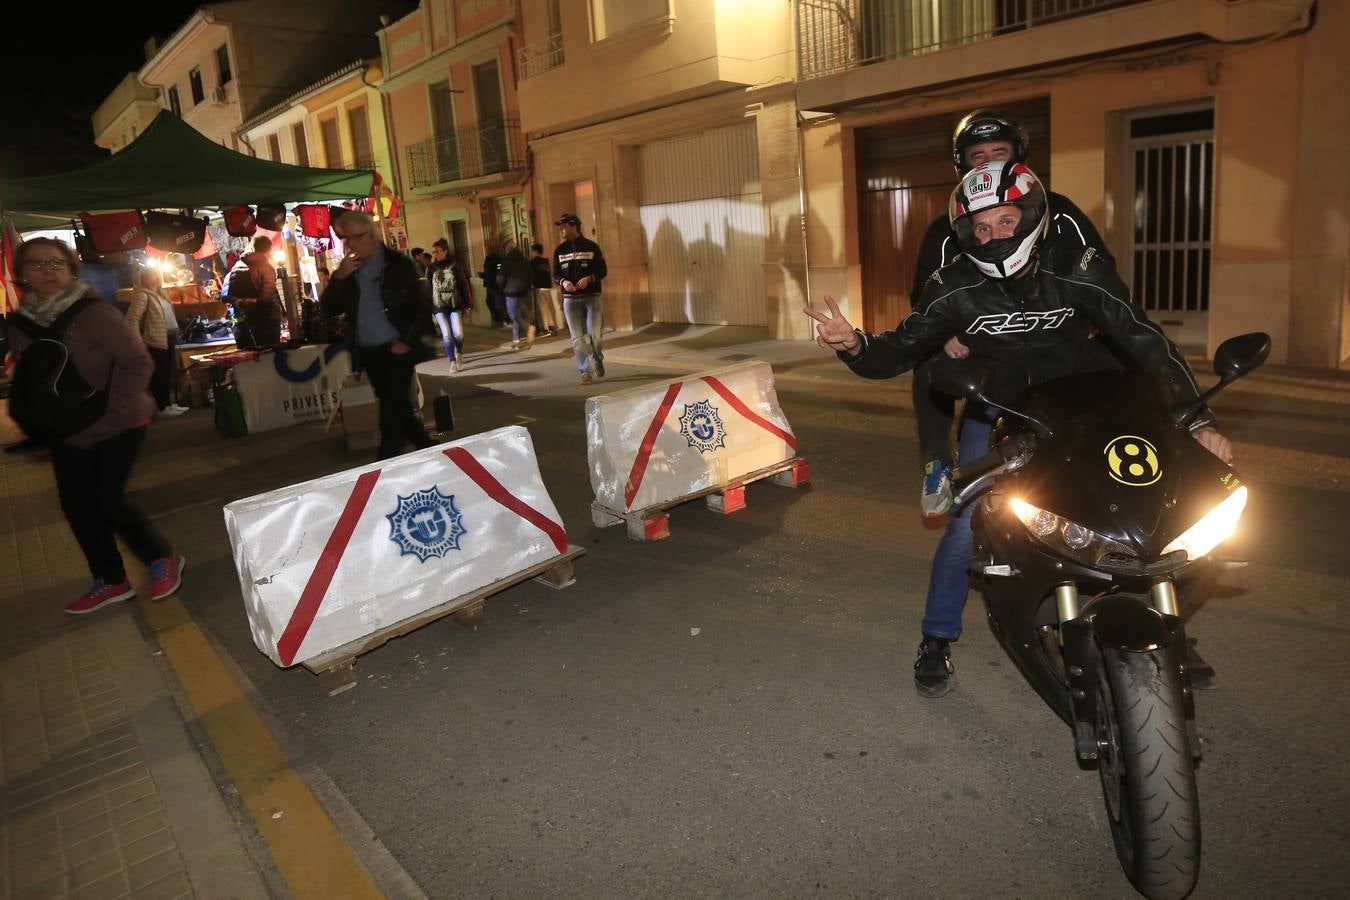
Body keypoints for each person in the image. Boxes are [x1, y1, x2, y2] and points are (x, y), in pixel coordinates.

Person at [805, 162, 1232, 699]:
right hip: (1002, 412)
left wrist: (1199, 420)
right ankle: (936, 638)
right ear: (966, 235)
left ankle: (1168, 629)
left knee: (1159, 508)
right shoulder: (953, 285)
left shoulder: (1077, 266)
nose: (995, 235)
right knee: (965, 524)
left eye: (1006, 221)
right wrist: (855, 344)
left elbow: (1145, 340)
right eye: (981, 228)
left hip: (1085, 408)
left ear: (1031, 216)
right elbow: (898, 350)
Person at [910, 110, 1113, 518]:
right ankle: (938, 463)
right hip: (990, 355)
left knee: (1123, 345)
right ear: (962, 165)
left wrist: (1094, 316)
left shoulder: (1062, 212)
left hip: (1058, 349)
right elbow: (924, 296)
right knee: (926, 354)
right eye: (977, 156)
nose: (988, 163)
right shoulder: (946, 227)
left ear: (1019, 156)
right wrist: (944, 332)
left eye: (998, 152)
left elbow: (1103, 271)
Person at [7, 238, 185, 614]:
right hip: (66, 429)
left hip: (119, 423)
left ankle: (160, 559)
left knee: (107, 499)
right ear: (22, 275)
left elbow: (138, 363)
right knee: (77, 507)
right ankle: (111, 580)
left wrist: (112, 412)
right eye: (37, 265)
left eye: (56, 263)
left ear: (72, 270)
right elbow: (31, 376)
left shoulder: (94, 313)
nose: (48, 271)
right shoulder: (21, 322)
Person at [322, 210, 436, 460]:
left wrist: (406, 341)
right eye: (345, 239)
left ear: (372, 235)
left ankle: (384, 466)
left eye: (355, 237)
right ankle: (428, 450)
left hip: (397, 350)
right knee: (400, 410)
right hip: (369, 352)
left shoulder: (398, 264)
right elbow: (329, 308)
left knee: (390, 417)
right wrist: (339, 278)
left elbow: (421, 305)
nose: (350, 244)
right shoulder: (349, 271)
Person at [552, 213, 608, 384]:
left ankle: (597, 359)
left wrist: (589, 279)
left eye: (563, 226)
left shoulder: (592, 247)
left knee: (595, 336)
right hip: (570, 300)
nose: (561, 229)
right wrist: (563, 282)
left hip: (591, 298)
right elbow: (555, 274)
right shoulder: (559, 251)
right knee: (577, 338)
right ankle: (585, 371)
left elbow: (602, 271)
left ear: (573, 226)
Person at [125, 266, 188, 417]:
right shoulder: (142, 295)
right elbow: (132, 319)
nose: (157, 278)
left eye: (156, 275)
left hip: (169, 337)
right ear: (145, 278)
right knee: (159, 374)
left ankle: (168, 404)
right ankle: (162, 407)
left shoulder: (161, 294)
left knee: (167, 373)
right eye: (152, 275)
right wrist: (139, 341)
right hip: (156, 340)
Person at [226, 235, 284, 348]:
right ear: (269, 249)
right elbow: (266, 298)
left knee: (256, 354)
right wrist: (253, 302)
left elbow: (230, 295)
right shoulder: (266, 268)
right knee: (271, 353)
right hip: (268, 317)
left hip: (248, 317)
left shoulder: (237, 267)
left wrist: (242, 302)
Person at [428, 238, 468, 372]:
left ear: (445, 251)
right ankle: (452, 361)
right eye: (434, 252)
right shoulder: (431, 268)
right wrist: (429, 308)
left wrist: (467, 305)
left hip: (455, 304)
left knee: (458, 334)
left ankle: (459, 352)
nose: (436, 254)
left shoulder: (455, 265)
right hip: (439, 306)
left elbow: (463, 285)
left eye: (438, 251)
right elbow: (427, 289)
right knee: (446, 334)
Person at [497, 246, 535, 350]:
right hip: (524, 292)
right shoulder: (525, 261)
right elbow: (531, 276)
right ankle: (521, 337)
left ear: (508, 251)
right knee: (524, 313)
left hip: (511, 293)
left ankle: (522, 334)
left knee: (514, 315)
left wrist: (502, 287)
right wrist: (527, 286)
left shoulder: (505, 263)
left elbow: (500, 278)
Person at [530, 242, 561, 336]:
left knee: (543, 308)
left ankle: (546, 328)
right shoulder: (546, 261)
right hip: (548, 287)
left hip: (539, 287)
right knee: (548, 307)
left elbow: (532, 276)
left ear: (535, 251)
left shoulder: (532, 262)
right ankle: (552, 326)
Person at [479, 246, 509, 327]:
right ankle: (496, 319)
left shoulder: (497, 260)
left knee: (498, 303)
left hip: (496, 286)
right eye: (486, 250)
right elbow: (488, 273)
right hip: (489, 285)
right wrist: (482, 275)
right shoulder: (487, 260)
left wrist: (497, 282)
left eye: (487, 250)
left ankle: (501, 320)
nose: (486, 252)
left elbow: (499, 271)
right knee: (489, 302)